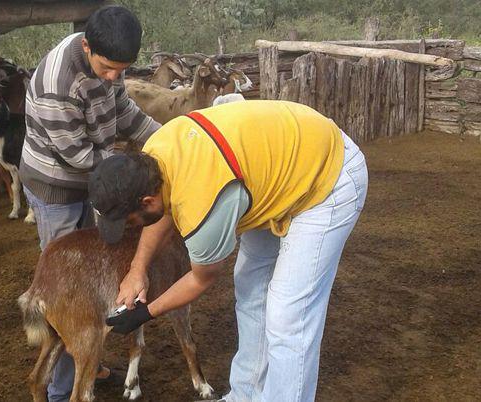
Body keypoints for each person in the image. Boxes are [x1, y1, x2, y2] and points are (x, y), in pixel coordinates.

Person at [88, 100, 368, 402]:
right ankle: (245, 395)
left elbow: (201, 278)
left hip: (327, 176)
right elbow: (163, 209)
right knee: (250, 285)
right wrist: (136, 270)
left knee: (289, 314)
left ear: (144, 202)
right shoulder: (153, 155)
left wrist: (146, 312)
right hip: (280, 163)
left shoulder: (202, 207)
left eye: (129, 220)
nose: (130, 228)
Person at [19, 5, 161, 402]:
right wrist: (134, 173)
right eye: (108, 69)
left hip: (96, 178)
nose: (115, 77)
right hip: (56, 187)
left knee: (99, 257)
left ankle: (85, 358)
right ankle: (65, 391)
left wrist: (169, 139)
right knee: (72, 290)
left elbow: (125, 112)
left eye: (122, 69)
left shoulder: (109, 63)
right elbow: (78, 158)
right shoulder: (57, 84)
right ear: (86, 46)